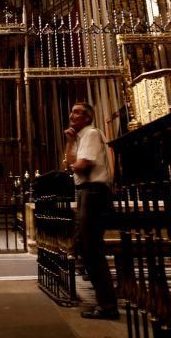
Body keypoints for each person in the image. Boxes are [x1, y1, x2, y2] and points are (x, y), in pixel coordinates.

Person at [63, 102, 119, 320]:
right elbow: (68, 162)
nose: (71, 115)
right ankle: (105, 302)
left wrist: (74, 164)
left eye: (77, 112)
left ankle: (107, 306)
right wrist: (69, 142)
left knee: (92, 250)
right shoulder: (79, 137)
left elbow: (80, 166)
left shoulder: (91, 134)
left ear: (87, 117)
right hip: (86, 192)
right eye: (72, 110)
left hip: (93, 192)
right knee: (86, 249)